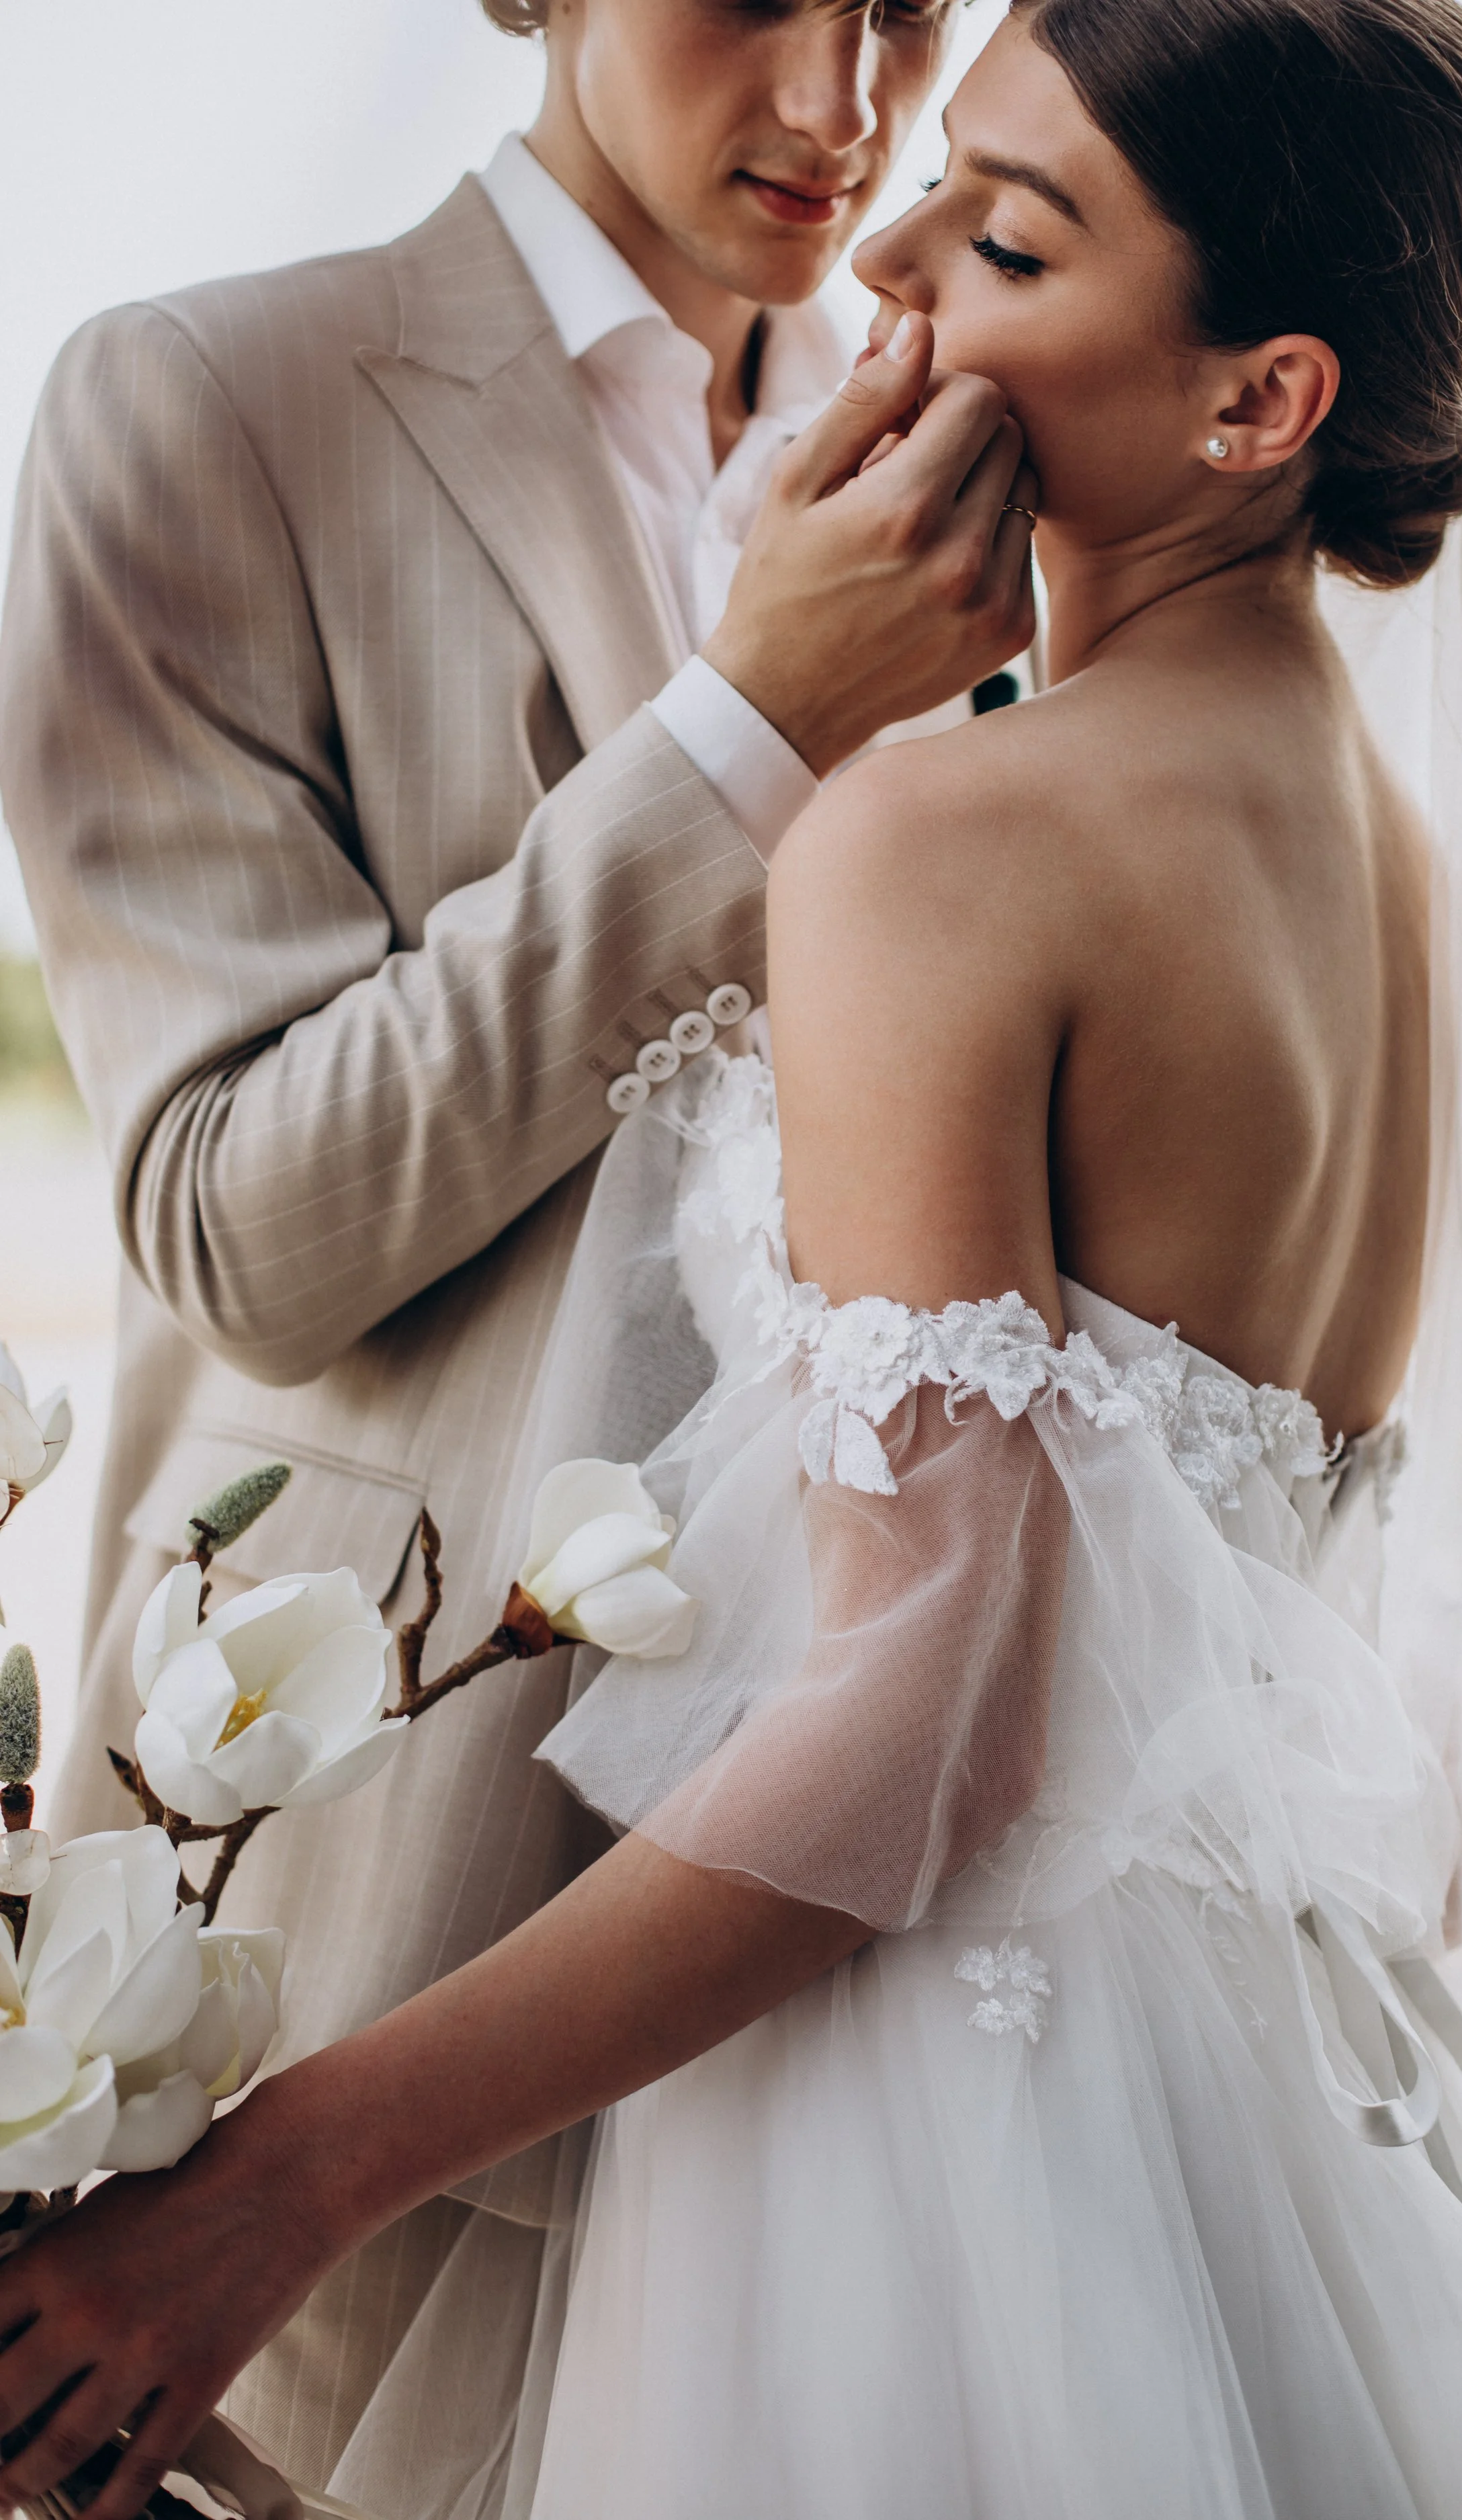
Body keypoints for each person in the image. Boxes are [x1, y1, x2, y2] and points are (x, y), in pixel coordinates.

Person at [5, 0, 1462, 2514]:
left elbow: (939, 1691)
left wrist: (283, 2168)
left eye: (997, 225)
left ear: (1259, 404)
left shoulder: (940, 825)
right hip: (1209, 2090)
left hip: (885, 2101)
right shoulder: (1397, 852)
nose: (873, 177)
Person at [0, 0, 1035, 2494]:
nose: (841, 102)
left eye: (907, 8)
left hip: (843, 1918)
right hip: (370, 1896)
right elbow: (228, 1223)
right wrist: (742, 730)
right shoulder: (192, 405)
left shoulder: (987, 430)